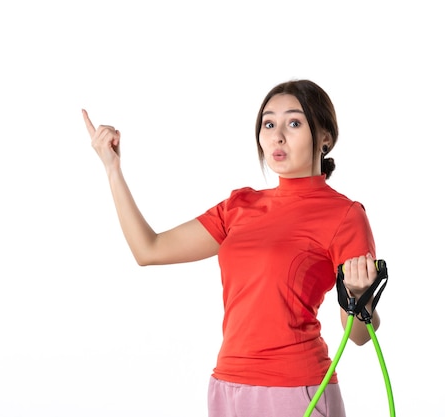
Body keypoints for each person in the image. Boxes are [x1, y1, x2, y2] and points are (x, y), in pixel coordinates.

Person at [82, 79, 381, 417]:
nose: (277, 136)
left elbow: (358, 336)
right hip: (227, 386)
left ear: (325, 138)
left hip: (297, 390)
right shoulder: (240, 206)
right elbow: (148, 249)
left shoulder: (344, 214)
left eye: (294, 123)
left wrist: (359, 295)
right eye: (269, 123)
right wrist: (112, 169)